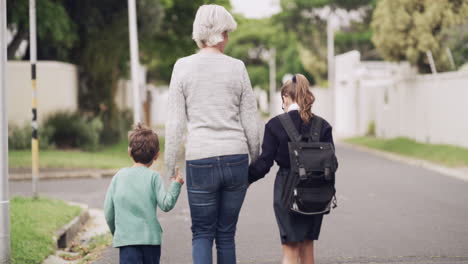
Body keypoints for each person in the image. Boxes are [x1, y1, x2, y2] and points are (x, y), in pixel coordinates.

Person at [164, 4, 260, 264]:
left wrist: (170, 165)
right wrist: (254, 159)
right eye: (227, 32)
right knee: (226, 234)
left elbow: (175, 122)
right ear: (222, 34)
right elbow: (251, 119)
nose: (228, 39)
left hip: (200, 159)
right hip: (235, 158)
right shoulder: (237, 67)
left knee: (202, 233)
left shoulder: (182, 67)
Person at [248, 74, 336, 264]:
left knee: (290, 251)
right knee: (307, 248)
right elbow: (333, 163)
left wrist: (245, 178)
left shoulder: (275, 125)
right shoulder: (323, 126)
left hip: (287, 191)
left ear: (286, 98)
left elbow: (264, 164)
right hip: (317, 193)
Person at [104, 124, 185, 264]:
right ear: (156, 155)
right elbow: (166, 204)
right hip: (151, 241)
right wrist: (176, 184)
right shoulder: (154, 177)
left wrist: (118, 233)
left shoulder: (118, 177)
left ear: (129, 152)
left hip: (127, 241)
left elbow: (108, 212)